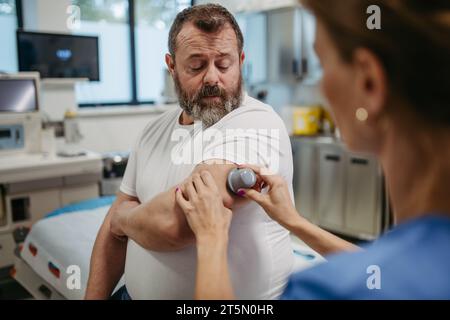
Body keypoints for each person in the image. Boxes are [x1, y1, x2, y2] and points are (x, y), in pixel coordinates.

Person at [174, 0, 450, 299]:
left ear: (369, 83)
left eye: (323, 63)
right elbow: (389, 271)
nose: (322, 87)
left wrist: (212, 239)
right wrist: (295, 222)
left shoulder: (326, 290)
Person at [85, 4, 298, 300]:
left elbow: (177, 224)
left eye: (224, 64)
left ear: (241, 60)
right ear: (171, 66)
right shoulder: (152, 131)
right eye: (196, 66)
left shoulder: (258, 123)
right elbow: (113, 231)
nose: (212, 78)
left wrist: (121, 219)